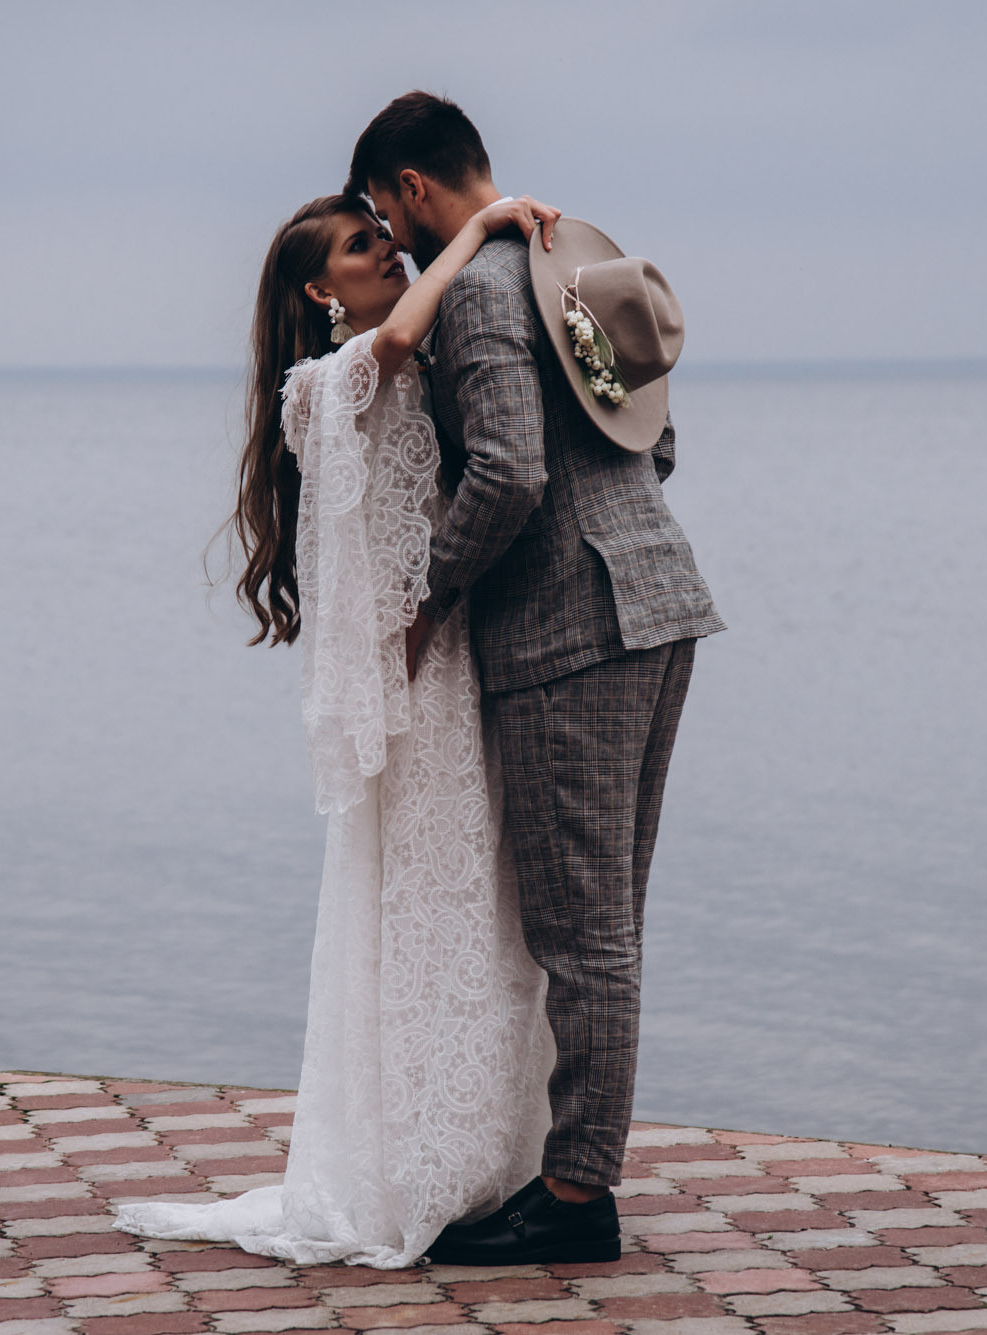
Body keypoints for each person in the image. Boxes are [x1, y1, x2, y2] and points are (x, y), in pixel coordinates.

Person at [109, 189, 569, 1267]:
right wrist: (481, 226)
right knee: (416, 902)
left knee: (479, 911)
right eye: (365, 250)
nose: (387, 260)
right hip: (404, 681)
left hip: (456, 654)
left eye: (383, 240)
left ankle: (483, 1153)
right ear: (320, 290)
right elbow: (402, 334)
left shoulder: (408, 366)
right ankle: (408, 1160)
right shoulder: (317, 389)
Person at [348, 92, 725, 1266]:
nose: (391, 242)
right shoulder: (559, 257)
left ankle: (573, 1200)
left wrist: (426, 603)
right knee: (610, 918)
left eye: (382, 214)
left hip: (572, 627)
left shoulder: (471, 289)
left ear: (412, 187)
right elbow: (651, 440)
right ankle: (574, 1178)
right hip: (658, 595)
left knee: (583, 931)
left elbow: (506, 475)